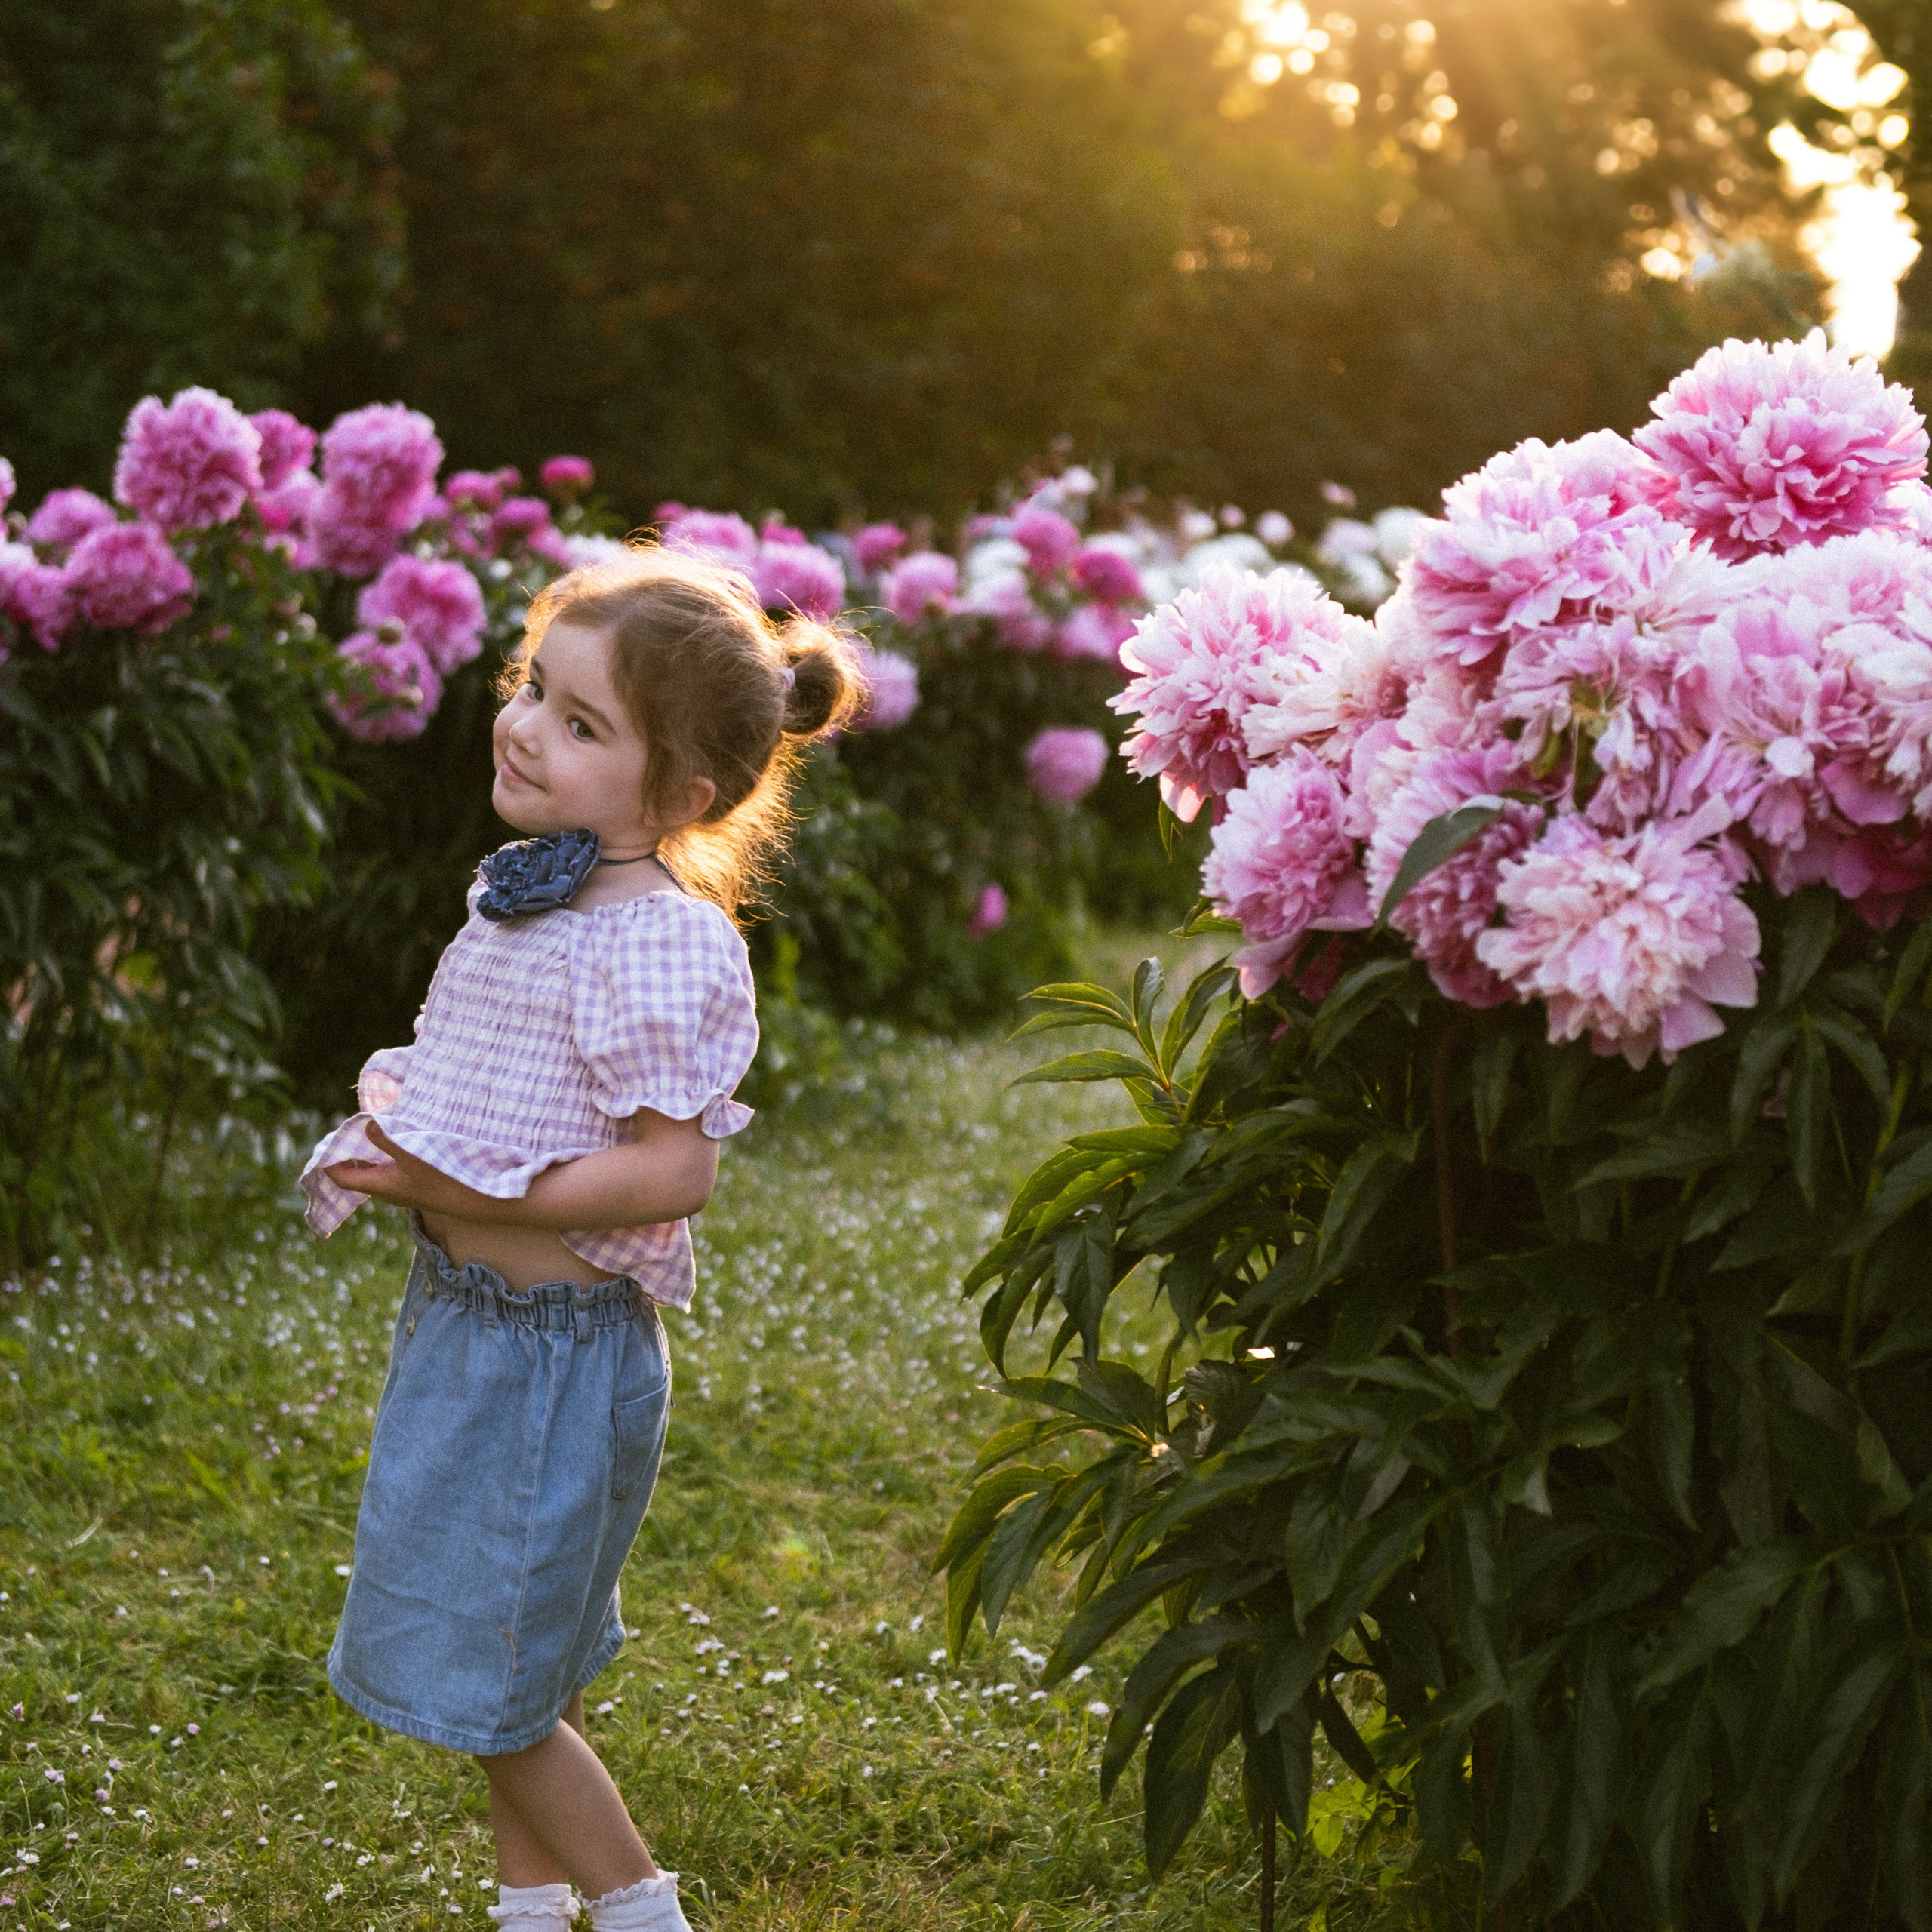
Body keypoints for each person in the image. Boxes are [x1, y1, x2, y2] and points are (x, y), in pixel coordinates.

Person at [300, 548, 857, 1932]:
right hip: (469, 1335)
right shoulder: (533, 895)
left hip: (553, 1365)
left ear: (682, 798)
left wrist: (472, 1193)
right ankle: (532, 1912)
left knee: (496, 1692)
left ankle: (637, 1910)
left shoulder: (659, 939)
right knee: (519, 1664)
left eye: (580, 722)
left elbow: (674, 1169)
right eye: (533, 688)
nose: (524, 726)